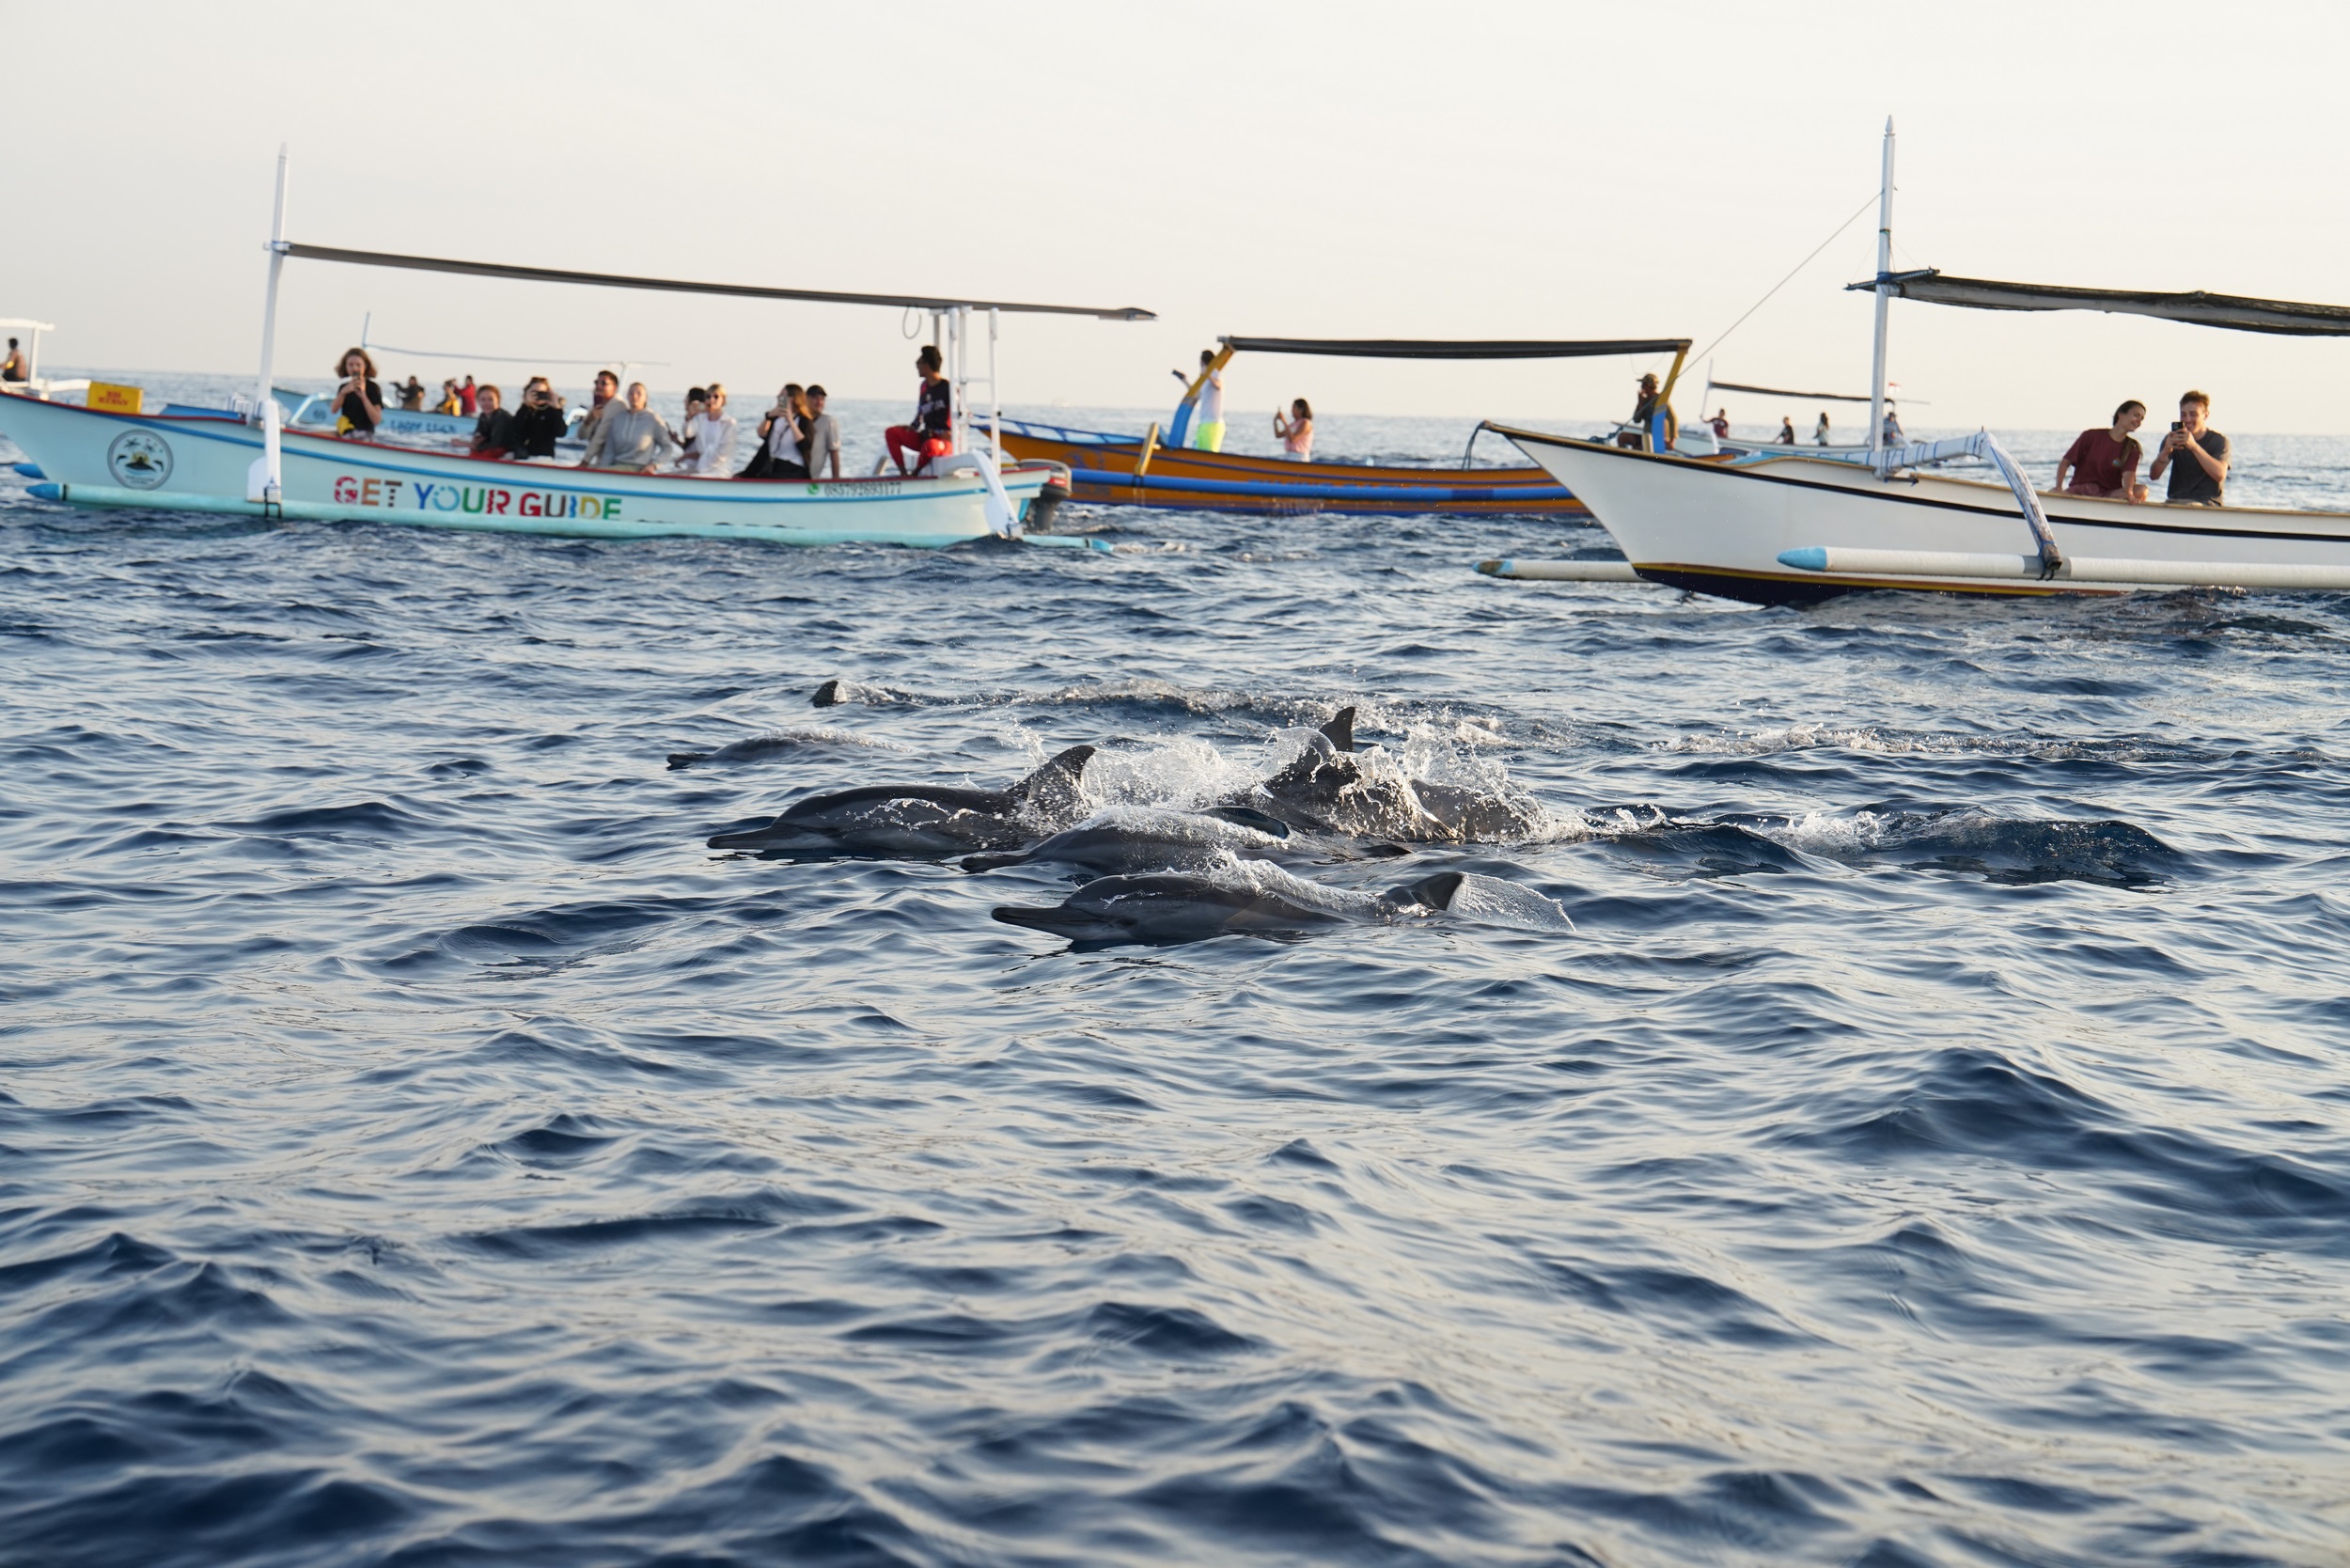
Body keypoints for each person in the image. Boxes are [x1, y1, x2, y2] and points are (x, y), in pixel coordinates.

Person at [2149, 389, 2232, 506]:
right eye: (2183, 414)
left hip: (2206, 503)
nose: (2187, 420)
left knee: (2190, 507)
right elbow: (2154, 476)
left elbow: (2220, 475)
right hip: (2175, 500)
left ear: (2205, 415)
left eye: (2193, 414)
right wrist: (2165, 451)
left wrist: (2194, 447)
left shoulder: (2218, 441)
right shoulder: (2173, 438)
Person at [2053, 400, 2148, 500]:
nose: (2139, 421)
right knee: (2052, 493)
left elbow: (2129, 475)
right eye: (2136, 415)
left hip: (2108, 495)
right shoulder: (2091, 436)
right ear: (2121, 414)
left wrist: (2129, 493)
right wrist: (2058, 487)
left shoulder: (2132, 448)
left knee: (2142, 490)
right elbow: (2065, 462)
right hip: (2079, 491)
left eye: (2141, 419)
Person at [581, 382, 680, 472]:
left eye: (639, 394)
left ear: (646, 398)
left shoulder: (653, 419)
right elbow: (609, 451)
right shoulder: (618, 418)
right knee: (590, 472)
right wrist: (601, 471)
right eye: (631, 393)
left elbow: (667, 447)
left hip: (638, 468)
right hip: (617, 465)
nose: (634, 396)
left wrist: (654, 465)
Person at [885, 346, 954, 474]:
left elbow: (963, 413)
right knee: (891, 432)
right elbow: (921, 412)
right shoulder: (923, 387)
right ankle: (904, 474)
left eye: (920, 362)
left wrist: (951, 432)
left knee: (930, 446)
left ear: (927, 365)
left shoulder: (948, 388)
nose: (917, 365)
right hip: (926, 437)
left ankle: (916, 473)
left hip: (943, 442)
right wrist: (912, 427)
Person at [742, 384, 810, 479]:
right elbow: (762, 433)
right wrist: (768, 416)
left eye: (782, 396)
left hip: (793, 468)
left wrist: (790, 421)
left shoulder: (803, 421)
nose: (778, 398)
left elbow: (805, 445)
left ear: (792, 399)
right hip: (774, 465)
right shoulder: (777, 419)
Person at [677, 383, 737, 475]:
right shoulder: (701, 418)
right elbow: (688, 433)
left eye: (716, 397)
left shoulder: (729, 423)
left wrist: (703, 471)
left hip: (720, 472)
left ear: (723, 400)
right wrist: (690, 416)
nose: (711, 400)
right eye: (708, 397)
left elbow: (723, 452)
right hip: (701, 468)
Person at [333, 347, 384, 440]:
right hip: (346, 431)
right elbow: (333, 410)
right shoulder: (343, 387)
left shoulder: (373, 388)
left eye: (358, 365)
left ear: (365, 366)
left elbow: (377, 420)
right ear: (346, 367)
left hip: (364, 433)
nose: (354, 368)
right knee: (315, 435)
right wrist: (343, 393)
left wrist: (363, 397)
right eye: (351, 365)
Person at [510, 376, 567, 460]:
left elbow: (561, 433)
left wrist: (557, 409)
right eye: (534, 392)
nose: (538, 396)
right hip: (523, 454)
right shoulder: (526, 410)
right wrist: (525, 406)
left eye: (542, 393)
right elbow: (515, 430)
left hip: (543, 456)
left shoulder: (551, 411)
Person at [801, 384, 843, 480]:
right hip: (792, 476)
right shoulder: (798, 419)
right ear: (805, 399)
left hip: (811, 479)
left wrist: (836, 479)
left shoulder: (828, 421)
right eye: (815, 398)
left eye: (822, 399)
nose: (819, 402)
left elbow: (834, 452)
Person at [576, 369, 621, 449]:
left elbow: (600, 437)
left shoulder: (619, 407)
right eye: (597, 383)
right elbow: (581, 436)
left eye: (603, 383)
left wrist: (586, 460)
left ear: (614, 388)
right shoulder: (597, 406)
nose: (599, 386)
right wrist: (588, 420)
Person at [1191, 349, 1226, 451]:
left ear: (1201, 362)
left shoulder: (1215, 374)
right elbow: (1197, 396)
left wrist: (1207, 374)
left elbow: (1218, 386)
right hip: (1203, 423)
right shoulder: (1205, 378)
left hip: (1213, 423)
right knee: (1198, 452)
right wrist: (1184, 380)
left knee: (1209, 453)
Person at [466, 384, 516, 459]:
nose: (487, 403)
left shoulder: (502, 417)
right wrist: (477, 439)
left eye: (491, 399)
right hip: (494, 448)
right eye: (483, 400)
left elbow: (496, 443)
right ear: (478, 401)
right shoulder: (483, 416)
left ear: (498, 401)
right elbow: (479, 433)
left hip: (509, 450)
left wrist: (468, 445)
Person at [1273, 398, 1314, 462]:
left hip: (1299, 457)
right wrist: (1275, 421)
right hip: (1289, 455)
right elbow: (1278, 435)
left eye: (1294, 408)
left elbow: (1293, 439)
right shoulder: (1293, 424)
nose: (1291, 410)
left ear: (1301, 410)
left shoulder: (1305, 423)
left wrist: (1284, 421)